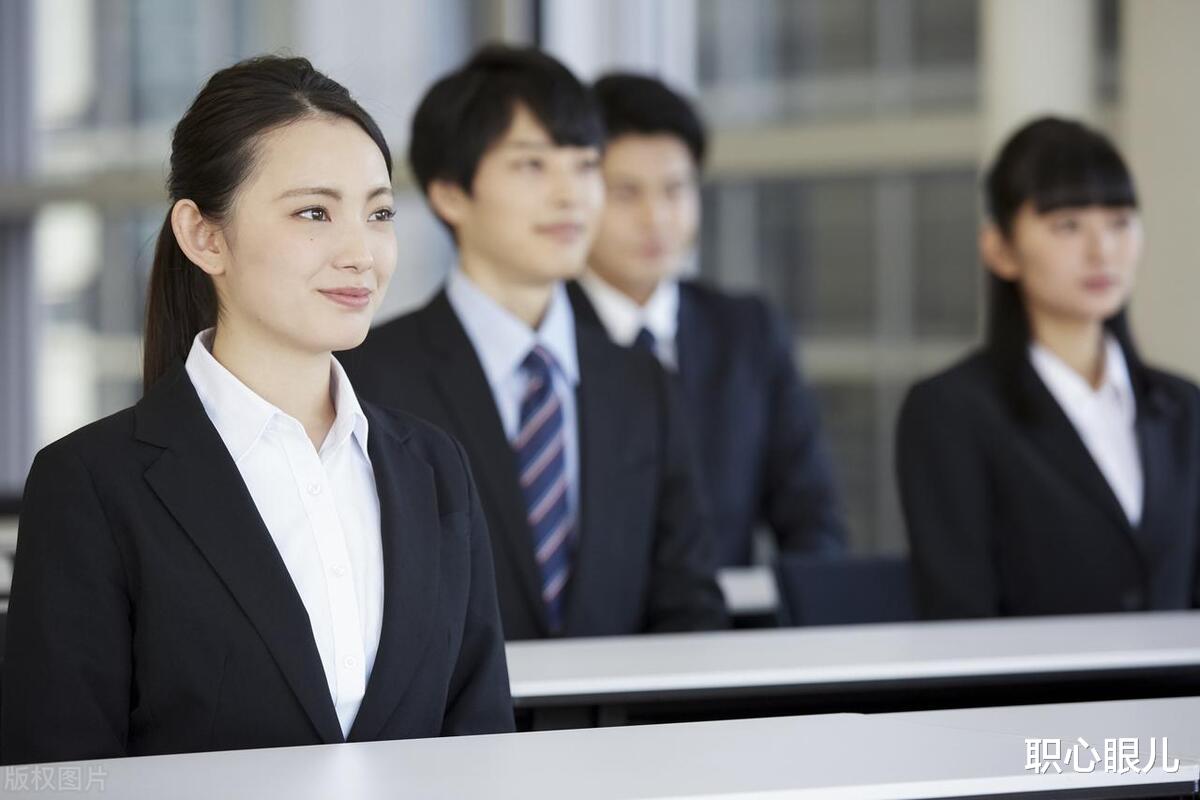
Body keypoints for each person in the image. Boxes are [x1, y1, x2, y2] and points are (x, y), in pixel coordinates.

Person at [1, 55, 514, 766]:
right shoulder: (90, 485)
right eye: (314, 213)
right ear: (204, 236)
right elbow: (56, 773)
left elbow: (481, 746)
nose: (361, 253)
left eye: (379, 213)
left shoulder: (433, 467)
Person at [340, 46, 727, 640]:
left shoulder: (641, 382)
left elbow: (690, 603)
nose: (571, 196)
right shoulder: (366, 379)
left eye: (586, 165)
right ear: (449, 192)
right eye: (532, 166)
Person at [896, 116, 1200, 619]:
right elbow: (959, 613)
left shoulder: (1183, 408)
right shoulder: (951, 411)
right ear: (1001, 249)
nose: (1102, 251)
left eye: (1119, 222)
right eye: (1068, 226)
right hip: (1027, 675)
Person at [570, 73, 846, 567]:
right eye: (626, 193)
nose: (656, 218)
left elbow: (812, 516)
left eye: (675, 190)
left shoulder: (747, 332)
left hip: (729, 609)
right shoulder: (545, 336)